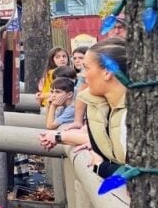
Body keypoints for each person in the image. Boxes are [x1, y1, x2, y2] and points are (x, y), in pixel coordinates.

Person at [38, 38, 127, 178]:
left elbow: (142, 175)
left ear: (108, 72)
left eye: (87, 68)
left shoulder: (131, 116)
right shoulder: (101, 106)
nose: (82, 75)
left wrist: (101, 167)